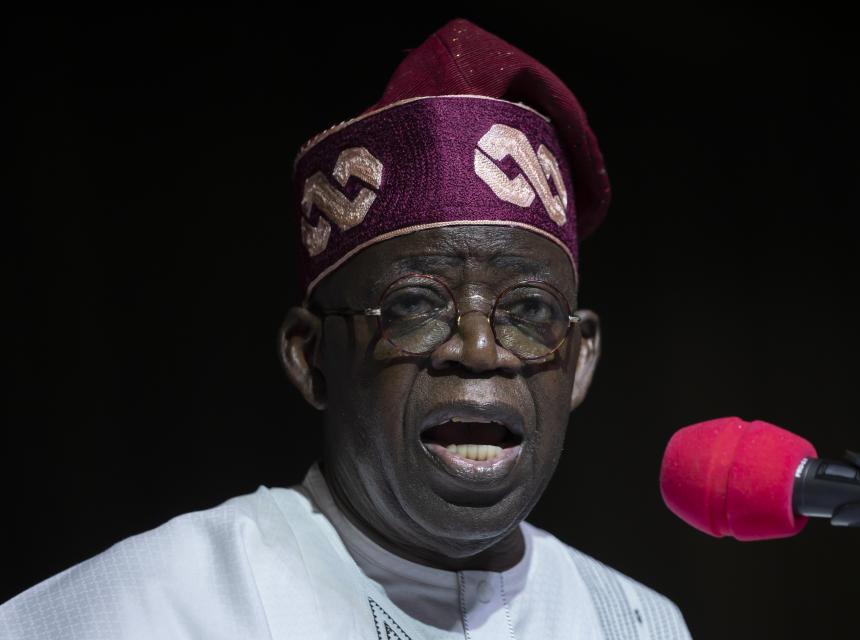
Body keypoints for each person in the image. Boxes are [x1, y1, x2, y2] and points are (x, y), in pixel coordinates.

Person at [0, 19, 691, 640]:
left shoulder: (634, 624)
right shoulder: (151, 609)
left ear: (581, 358)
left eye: (529, 312)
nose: (480, 352)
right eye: (416, 306)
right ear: (311, 357)